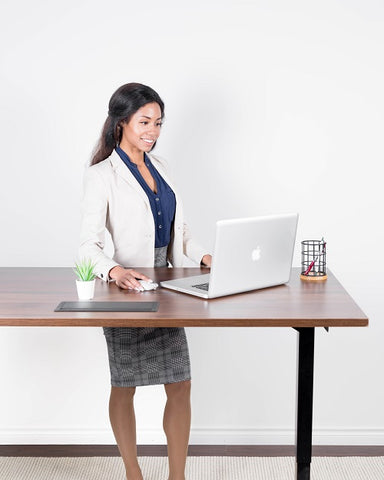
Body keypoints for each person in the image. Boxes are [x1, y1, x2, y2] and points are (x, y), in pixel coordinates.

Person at [79, 82, 212, 480]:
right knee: (125, 384)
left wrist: (206, 255)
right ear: (122, 122)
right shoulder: (101, 176)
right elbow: (87, 246)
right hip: (125, 291)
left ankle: (177, 476)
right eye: (144, 122)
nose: (152, 131)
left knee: (181, 382)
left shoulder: (163, 168)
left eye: (158, 123)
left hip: (167, 287)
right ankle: (133, 473)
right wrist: (115, 271)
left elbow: (181, 231)